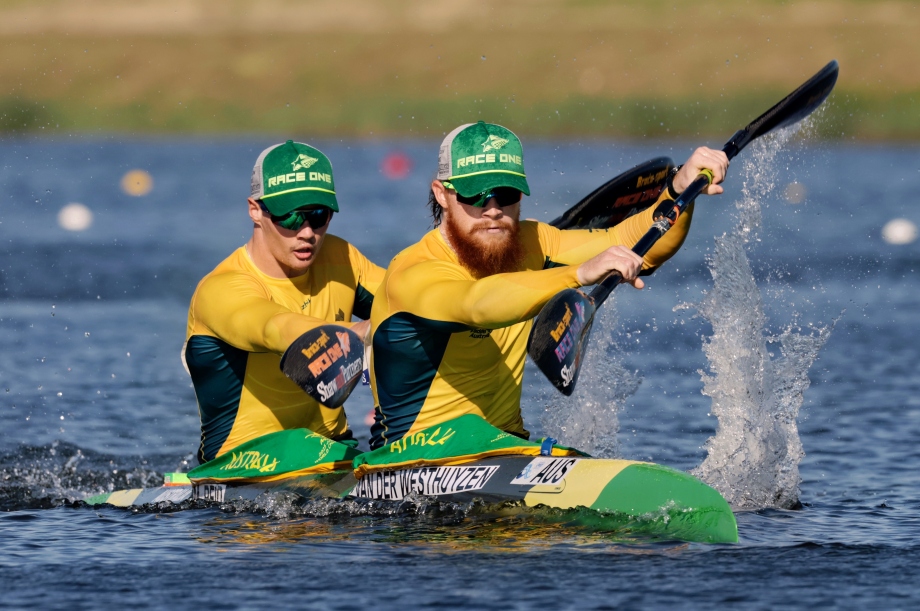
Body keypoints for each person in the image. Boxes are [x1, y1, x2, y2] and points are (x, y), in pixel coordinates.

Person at [368, 121, 728, 449]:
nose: (493, 208)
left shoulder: (534, 241)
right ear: (442, 194)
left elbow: (636, 245)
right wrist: (579, 273)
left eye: (506, 193)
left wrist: (679, 190)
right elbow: (477, 304)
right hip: (411, 464)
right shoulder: (412, 272)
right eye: (475, 195)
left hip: (507, 449)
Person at [185, 140, 384, 463]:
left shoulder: (341, 257)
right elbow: (277, 329)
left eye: (318, 216)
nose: (307, 232)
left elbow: (409, 299)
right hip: (244, 465)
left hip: (335, 451)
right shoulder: (221, 289)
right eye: (290, 217)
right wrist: (363, 330)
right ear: (255, 210)